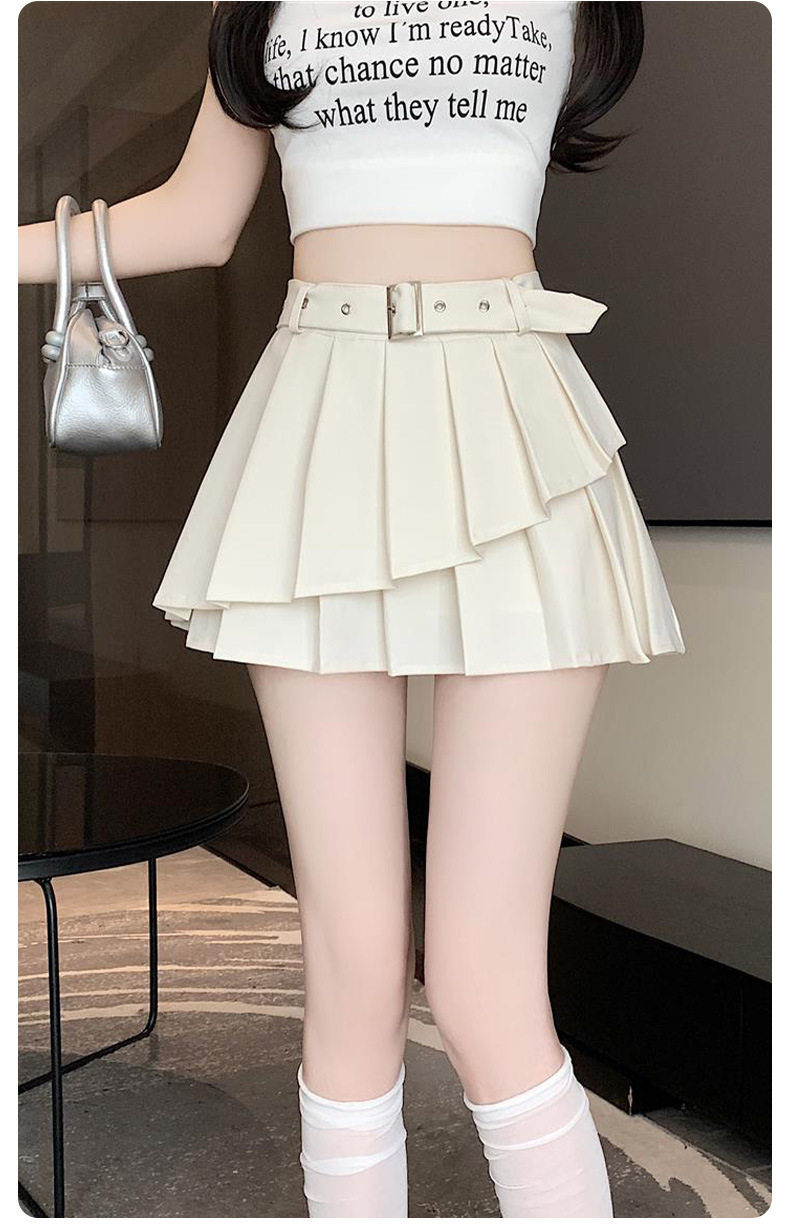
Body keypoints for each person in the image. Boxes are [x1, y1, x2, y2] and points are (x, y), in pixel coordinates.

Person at [19, 2, 686, 1216]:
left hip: (514, 427)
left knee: (485, 983)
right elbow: (198, 216)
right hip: (317, 421)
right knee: (350, 971)